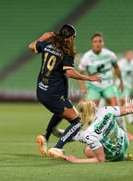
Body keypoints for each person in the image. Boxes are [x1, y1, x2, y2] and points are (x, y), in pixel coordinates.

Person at [28, 24, 100, 159]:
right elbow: (70, 73)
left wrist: (44, 36)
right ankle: (57, 147)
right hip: (53, 95)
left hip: (41, 91)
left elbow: (31, 46)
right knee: (78, 121)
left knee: (61, 111)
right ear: (71, 37)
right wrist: (89, 78)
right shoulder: (66, 52)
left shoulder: (47, 45)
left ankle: (45, 137)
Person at [64, 92, 133, 163]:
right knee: (102, 137)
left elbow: (101, 160)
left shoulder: (89, 134)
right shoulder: (106, 110)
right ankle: (126, 156)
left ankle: (122, 157)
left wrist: (77, 160)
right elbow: (130, 109)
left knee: (87, 150)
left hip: (113, 154)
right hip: (124, 141)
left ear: (82, 114)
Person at [77, 33, 131, 139]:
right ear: (92, 43)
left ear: (103, 43)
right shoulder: (87, 57)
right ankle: (93, 134)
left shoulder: (109, 54)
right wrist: (82, 86)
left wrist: (121, 81)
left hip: (108, 85)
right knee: (91, 111)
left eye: (100, 41)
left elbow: (116, 67)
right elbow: (79, 72)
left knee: (117, 108)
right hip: (93, 86)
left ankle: (124, 132)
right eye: (95, 41)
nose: (98, 44)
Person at [116, 49, 133, 125]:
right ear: (125, 55)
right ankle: (122, 119)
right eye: (128, 54)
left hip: (127, 86)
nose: (130, 56)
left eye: (131, 54)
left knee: (126, 101)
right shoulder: (120, 62)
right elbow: (113, 71)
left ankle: (129, 120)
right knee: (120, 103)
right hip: (119, 85)